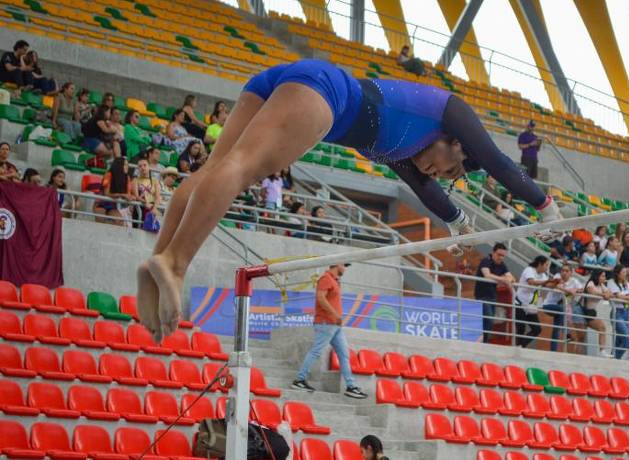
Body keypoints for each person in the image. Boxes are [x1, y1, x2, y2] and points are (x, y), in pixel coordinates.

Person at [136, 59, 561, 339]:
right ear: (456, 143)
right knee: (243, 167)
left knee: (213, 170)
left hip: (293, 81)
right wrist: (546, 209)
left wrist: (456, 222)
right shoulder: (451, 112)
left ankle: (158, 260)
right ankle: (176, 264)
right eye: (448, 169)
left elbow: (425, 189)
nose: (438, 174)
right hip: (326, 92)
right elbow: (499, 162)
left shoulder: (402, 150)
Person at [292, 263, 367, 399]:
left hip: (334, 325)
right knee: (316, 351)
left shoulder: (334, 281)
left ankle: (351, 386)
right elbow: (320, 298)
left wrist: (336, 318)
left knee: (344, 355)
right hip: (326, 323)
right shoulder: (326, 278)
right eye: (344, 265)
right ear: (337, 264)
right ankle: (299, 380)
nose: (345, 268)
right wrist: (335, 315)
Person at [514, 255, 558, 348]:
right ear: (540, 264)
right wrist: (546, 282)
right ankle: (518, 347)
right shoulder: (529, 270)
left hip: (531, 307)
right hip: (520, 303)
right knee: (521, 328)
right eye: (546, 265)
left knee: (537, 329)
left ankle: (520, 345)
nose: (547, 268)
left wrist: (556, 283)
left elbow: (548, 285)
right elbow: (531, 282)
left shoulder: (543, 275)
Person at [475, 243, 514, 343]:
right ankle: (482, 342)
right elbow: (487, 275)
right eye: (499, 254)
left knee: (489, 321)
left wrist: (504, 279)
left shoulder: (502, 265)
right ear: (493, 253)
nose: (501, 257)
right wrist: (503, 279)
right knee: (488, 319)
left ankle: (484, 343)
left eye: (503, 256)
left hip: (493, 296)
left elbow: (511, 278)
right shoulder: (486, 261)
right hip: (482, 296)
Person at [542, 263, 582, 352]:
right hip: (549, 305)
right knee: (562, 310)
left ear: (571, 273)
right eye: (563, 271)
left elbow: (582, 289)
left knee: (556, 328)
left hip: (561, 309)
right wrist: (569, 291)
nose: (564, 273)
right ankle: (567, 333)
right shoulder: (557, 277)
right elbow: (557, 286)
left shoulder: (574, 281)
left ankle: (553, 350)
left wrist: (576, 290)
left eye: (567, 271)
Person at [576, 269, 612, 357]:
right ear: (597, 276)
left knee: (602, 327)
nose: (605, 278)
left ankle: (602, 351)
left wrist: (607, 294)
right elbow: (591, 291)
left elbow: (609, 293)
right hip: (581, 310)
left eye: (605, 276)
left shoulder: (601, 285)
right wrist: (603, 295)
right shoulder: (591, 283)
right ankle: (577, 356)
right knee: (581, 337)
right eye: (603, 276)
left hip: (590, 312)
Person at [607, 264, 629, 359]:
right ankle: (616, 359)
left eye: (626, 272)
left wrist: (624, 296)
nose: (625, 274)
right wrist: (626, 297)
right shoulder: (611, 282)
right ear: (617, 273)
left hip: (626, 312)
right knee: (626, 340)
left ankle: (613, 358)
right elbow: (618, 296)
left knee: (619, 339)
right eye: (623, 272)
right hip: (617, 312)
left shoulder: (626, 283)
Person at [94, 157, 133, 225]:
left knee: (120, 221)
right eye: (125, 165)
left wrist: (132, 197)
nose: (127, 167)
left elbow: (128, 194)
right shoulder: (108, 174)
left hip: (112, 205)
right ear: (119, 165)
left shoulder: (127, 178)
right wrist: (122, 195)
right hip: (101, 203)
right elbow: (106, 194)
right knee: (101, 219)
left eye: (127, 165)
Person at [131, 157, 161, 223]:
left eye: (145, 165)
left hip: (152, 207)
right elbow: (136, 197)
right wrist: (146, 202)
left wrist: (154, 208)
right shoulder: (135, 180)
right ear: (138, 169)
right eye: (140, 166)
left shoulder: (155, 181)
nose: (142, 167)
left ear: (149, 166)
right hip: (140, 208)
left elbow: (158, 197)